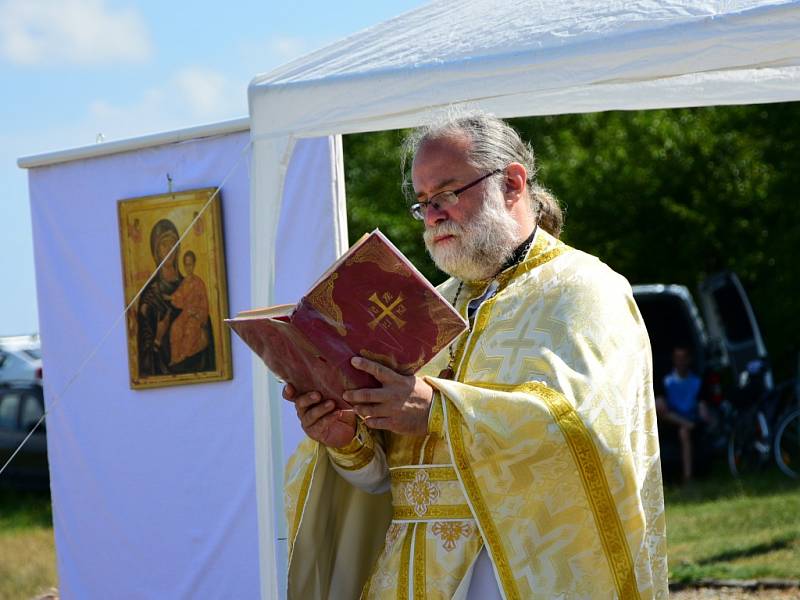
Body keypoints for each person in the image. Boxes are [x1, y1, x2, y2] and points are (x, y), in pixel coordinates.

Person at [282, 111, 668, 599]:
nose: (435, 214)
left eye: (447, 193)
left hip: (511, 575)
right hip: (410, 574)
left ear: (511, 183)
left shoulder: (583, 288)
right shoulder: (427, 306)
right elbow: (388, 481)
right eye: (423, 203)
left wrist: (438, 411)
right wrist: (347, 442)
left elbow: (592, 429)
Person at [137, 219, 215, 376]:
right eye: (163, 245)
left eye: (172, 243)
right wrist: (158, 338)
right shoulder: (150, 297)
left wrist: (203, 332)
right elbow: (143, 361)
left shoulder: (190, 285)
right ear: (156, 251)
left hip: (198, 371)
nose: (168, 250)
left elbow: (208, 331)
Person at [656, 346, 710, 483]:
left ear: (689, 360)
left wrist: (704, 413)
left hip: (690, 419)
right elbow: (660, 402)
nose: (680, 361)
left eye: (683, 358)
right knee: (658, 408)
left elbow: (702, 404)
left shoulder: (696, 382)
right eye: (677, 358)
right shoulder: (666, 381)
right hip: (670, 419)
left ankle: (687, 476)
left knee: (684, 432)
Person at [165, 251, 211, 366]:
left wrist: (198, 314)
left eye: (190, 264)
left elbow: (204, 304)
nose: (188, 267)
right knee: (176, 327)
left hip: (196, 315)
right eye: (186, 264)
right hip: (186, 313)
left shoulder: (199, 283)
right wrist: (170, 297)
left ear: (194, 264)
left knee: (189, 329)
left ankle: (183, 356)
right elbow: (179, 295)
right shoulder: (185, 282)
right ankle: (175, 357)